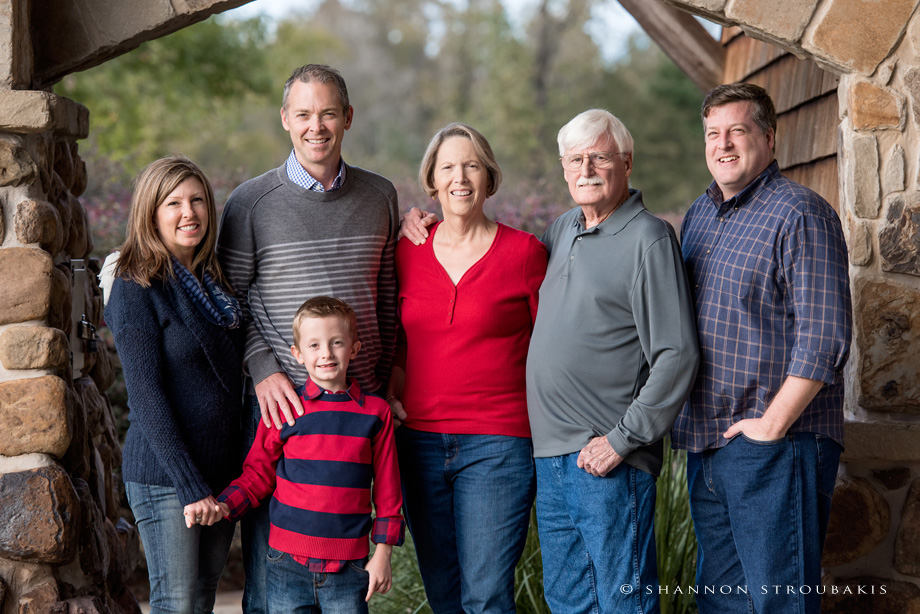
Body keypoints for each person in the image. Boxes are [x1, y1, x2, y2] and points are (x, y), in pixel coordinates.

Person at [216, 64, 399, 614]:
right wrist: (263, 369)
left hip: (353, 413)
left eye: (326, 113)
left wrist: (380, 384)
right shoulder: (251, 204)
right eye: (303, 114)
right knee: (274, 586)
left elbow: (387, 299)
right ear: (285, 120)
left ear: (347, 118)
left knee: (346, 575)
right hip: (282, 407)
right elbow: (232, 303)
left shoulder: (381, 195)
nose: (315, 126)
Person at [671, 83, 852, 614]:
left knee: (779, 604)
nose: (723, 144)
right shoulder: (699, 216)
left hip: (777, 444)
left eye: (738, 131)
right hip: (710, 443)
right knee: (722, 605)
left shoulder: (800, 213)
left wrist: (771, 427)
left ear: (769, 138)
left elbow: (824, 336)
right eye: (713, 133)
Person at [525, 109, 698, 614]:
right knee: (568, 603)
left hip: (608, 460)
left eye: (599, 157)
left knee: (622, 603)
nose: (587, 169)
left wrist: (622, 440)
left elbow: (676, 354)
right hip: (550, 458)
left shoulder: (649, 238)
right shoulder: (561, 231)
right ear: (563, 167)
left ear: (625, 161)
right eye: (575, 159)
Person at [387, 122, 547, 614]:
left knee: (486, 595)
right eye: (448, 167)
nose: (460, 178)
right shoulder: (405, 251)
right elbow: (393, 343)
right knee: (444, 594)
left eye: (472, 165)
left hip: (498, 444)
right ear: (431, 181)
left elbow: (553, 351)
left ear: (489, 178)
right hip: (419, 443)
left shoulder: (524, 254)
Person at [105, 156, 242, 614]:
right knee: (176, 604)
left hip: (220, 475)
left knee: (201, 602)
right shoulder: (135, 284)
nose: (190, 213)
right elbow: (146, 398)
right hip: (167, 476)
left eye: (198, 200)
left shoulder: (216, 282)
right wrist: (190, 487)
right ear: (150, 213)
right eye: (174, 203)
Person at [214, 296, 404, 614]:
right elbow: (258, 474)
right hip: (285, 564)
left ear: (354, 348)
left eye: (337, 342)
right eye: (314, 345)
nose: (326, 353)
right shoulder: (286, 409)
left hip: (350, 567)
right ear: (298, 355)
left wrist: (382, 553)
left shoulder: (376, 413)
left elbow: (388, 491)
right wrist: (224, 505)